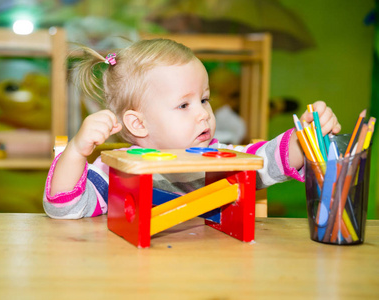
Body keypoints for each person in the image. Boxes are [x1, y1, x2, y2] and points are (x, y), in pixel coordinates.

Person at [43, 39, 341, 219]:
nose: (204, 114)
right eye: (184, 105)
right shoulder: (117, 172)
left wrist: (304, 141)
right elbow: (65, 209)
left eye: (204, 99)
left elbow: (264, 161)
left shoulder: (217, 158)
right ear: (138, 123)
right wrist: (76, 151)